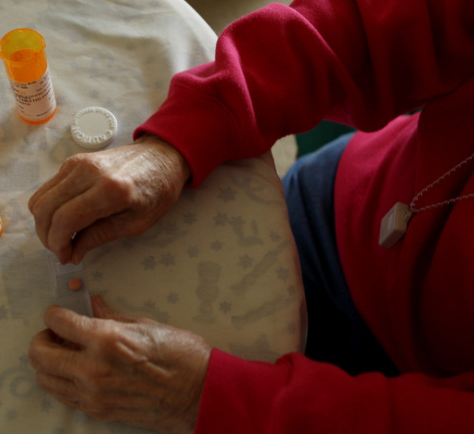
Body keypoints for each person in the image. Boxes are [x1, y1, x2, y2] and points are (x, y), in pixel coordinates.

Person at [27, 0, 474, 432]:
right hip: (348, 192)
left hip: (398, 377)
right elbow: (369, 24)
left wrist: (198, 397)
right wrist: (177, 141)